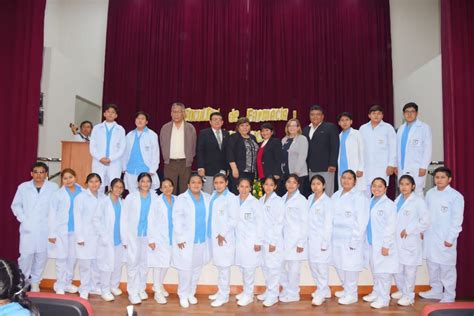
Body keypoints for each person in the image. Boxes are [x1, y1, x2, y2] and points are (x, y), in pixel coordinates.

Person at [11, 162, 58, 292]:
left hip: (45, 228)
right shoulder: (23, 187)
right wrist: (24, 220)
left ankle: (36, 282)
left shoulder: (53, 187)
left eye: (42, 172)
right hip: (28, 228)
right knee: (25, 257)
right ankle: (23, 282)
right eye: (36, 172)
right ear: (31, 173)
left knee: (41, 257)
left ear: (46, 174)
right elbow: (16, 205)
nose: (39, 175)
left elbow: (57, 207)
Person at [420, 167, 464, 303]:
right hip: (430, 236)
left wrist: (451, 237)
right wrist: (422, 230)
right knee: (433, 265)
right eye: (437, 177)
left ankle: (449, 295)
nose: (439, 180)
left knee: (447, 268)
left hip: (446, 238)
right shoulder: (430, 193)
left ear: (449, 179)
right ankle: (436, 291)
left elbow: (457, 219)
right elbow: (425, 214)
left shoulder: (456, 196)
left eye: (442, 177)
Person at [172, 174, 211, 308]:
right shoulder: (182, 199)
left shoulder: (206, 197)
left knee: (196, 268)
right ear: (188, 184)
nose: (196, 185)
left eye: (198, 182)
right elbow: (177, 220)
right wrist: (180, 238)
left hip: (201, 239)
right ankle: (183, 294)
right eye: (193, 182)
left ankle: (191, 293)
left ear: (202, 184)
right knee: (185, 269)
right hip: (186, 240)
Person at [391, 175, 430, 306]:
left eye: (407, 184)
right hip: (397, 241)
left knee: (410, 270)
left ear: (413, 186)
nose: (404, 187)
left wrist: (409, 230)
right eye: (401, 184)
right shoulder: (397, 200)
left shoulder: (418, 201)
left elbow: (425, 222)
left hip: (411, 240)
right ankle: (403, 291)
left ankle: (409, 296)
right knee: (398, 268)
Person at [331, 170, 369, 305]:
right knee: (339, 264)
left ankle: (352, 294)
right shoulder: (335, 195)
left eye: (349, 178)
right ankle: (346, 289)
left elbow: (362, 220)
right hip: (336, 237)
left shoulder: (359, 197)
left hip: (351, 237)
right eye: (344, 178)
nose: (346, 181)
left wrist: (355, 239)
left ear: (355, 181)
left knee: (350, 266)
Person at [121, 173, 158, 305]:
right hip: (133, 235)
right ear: (138, 183)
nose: (145, 184)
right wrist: (124, 239)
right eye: (143, 181)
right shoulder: (131, 197)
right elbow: (124, 219)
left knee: (144, 264)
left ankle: (141, 289)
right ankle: (132, 292)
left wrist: (154, 238)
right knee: (133, 263)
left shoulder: (155, 197)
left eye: (148, 181)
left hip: (147, 235)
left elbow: (156, 219)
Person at [363, 178, 398, 309]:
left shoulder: (389, 205)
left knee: (384, 273)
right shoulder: (370, 201)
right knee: (376, 271)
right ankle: (377, 292)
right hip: (371, 243)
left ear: (385, 188)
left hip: (383, 245)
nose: (376, 189)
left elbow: (391, 227)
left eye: (380, 186)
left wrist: (386, 245)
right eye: (374, 186)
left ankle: (384, 298)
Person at [48, 168, 82, 295]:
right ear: (62, 180)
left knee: (72, 259)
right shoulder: (58, 194)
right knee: (61, 258)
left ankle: (67, 283)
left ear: (75, 177)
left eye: (70, 177)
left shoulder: (82, 192)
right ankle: (60, 285)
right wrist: (51, 233)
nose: (68, 180)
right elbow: (52, 214)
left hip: (76, 231)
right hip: (61, 231)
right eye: (65, 178)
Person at [207, 174, 239, 307]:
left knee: (224, 267)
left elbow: (233, 220)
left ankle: (224, 296)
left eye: (221, 182)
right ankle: (221, 290)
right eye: (216, 182)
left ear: (226, 183)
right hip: (213, 236)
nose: (218, 185)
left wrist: (222, 234)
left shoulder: (231, 198)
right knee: (220, 267)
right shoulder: (213, 196)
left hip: (223, 238)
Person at [92, 178, 125, 302]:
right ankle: (105, 290)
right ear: (111, 188)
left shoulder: (122, 202)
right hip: (107, 240)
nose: (118, 189)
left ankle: (113, 286)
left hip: (118, 240)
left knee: (117, 265)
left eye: (121, 187)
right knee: (106, 266)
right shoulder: (104, 202)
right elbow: (96, 219)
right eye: (116, 186)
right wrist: (103, 235)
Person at [74, 173, 104, 300]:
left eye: (97, 181)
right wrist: (80, 237)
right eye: (91, 181)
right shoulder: (81, 197)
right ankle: (84, 288)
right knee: (85, 264)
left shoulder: (103, 197)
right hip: (85, 236)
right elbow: (77, 218)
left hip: (99, 236)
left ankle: (94, 285)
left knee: (96, 262)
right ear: (86, 183)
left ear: (100, 183)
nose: (94, 184)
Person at [234, 178, 264, 307]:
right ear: (237, 187)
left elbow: (260, 223)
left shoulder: (255, 203)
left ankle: (249, 295)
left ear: (250, 188)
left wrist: (258, 241)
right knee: (242, 267)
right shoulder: (234, 201)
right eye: (242, 186)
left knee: (249, 268)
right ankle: (246, 291)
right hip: (238, 240)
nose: (244, 189)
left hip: (251, 241)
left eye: (247, 187)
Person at [279, 175, 308, 303]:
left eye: (294, 182)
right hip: (283, 239)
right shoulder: (282, 199)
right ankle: (286, 288)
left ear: (298, 185)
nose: (291, 184)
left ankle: (293, 293)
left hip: (296, 240)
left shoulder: (301, 200)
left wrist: (301, 242)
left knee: (294, 269)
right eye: (288, 182)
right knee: (280, 266)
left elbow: (305, 222)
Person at [257, 176, 285, 307]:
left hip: (273, 240)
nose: (268, 187)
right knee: (265, 266)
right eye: (266, 184)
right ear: (262, 186)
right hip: (263, 239)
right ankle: (269, 291)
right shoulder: (261, 200)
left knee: (273, 268)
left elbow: (279, 223)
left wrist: (273, 242)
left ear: (275, 187)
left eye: (271, 185)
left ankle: (274, 295)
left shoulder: (278, 201)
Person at [148, 178, 176, 304]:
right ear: (160, 189)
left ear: (173, 187)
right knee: (158, 265)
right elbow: (151, 220)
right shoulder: (156, 202)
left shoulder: (178, 200)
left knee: (166, 263)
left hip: (172, 238)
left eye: (169, 186)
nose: (167, 188)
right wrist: (151, 239)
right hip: (160, 238)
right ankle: (157, 291)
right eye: (164, 186)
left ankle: (159, 285)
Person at [359, 105, 397, 198]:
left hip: (382, 167)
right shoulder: (363, 128)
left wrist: (391, 164)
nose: (376, 116)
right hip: (366, 167)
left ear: (382, 116)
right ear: (369, 115)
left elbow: (393, 147)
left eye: (379, 113)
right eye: (374, 113)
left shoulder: (388, 128)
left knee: (380, 191)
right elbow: (359, 148)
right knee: (365, 194)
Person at [396, 102, 432, 196]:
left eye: (412, 111)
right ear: (403, 114)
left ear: (417, 113)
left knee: (417, 193)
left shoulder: (424, 128)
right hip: (402, 167)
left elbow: (428, 149)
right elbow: (398, 150)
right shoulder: (401, 129)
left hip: (417, 167)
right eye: (407, 112)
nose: (409, 114)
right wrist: (396, 164)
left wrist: (424, 166)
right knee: (404, 193)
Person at [160, 102, 197, 195]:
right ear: (171, 113)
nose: (176, 114)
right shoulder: (165, 128)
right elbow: (162, 145)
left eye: (179, 112)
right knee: (169, 191)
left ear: (183, 113)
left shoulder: (190, 128)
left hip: (185, 164)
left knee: (185, 191)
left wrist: (189, 159)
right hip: (170, 164)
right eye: (174, 112)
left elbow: (194, 145)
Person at [307, 175, 333, 306]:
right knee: (313, 266)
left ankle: (321, 293)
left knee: (321, 267)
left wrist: (325, 242)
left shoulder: (327, 202)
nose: (315, 186)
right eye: (313, 184)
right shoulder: (310, 198)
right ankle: (324, 289)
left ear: (323, 185)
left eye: (318, 184)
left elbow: (328, 224)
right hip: (311, 240)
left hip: (321, 240)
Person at [302, 105, 339, 196]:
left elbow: (335, 146)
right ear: (309, 116)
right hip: (311, 168)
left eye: (318, 114)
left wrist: (332, 164)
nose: (315, 117)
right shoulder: (305, 130)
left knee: (327, 192)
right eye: (312, 114)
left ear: (322, 116)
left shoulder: (330, 127)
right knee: (315, 192)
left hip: (326, 167)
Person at [89, 104, 126, 192]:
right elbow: (92, 146)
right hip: (99, 162)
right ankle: (98, 205)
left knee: (114, 186)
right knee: (97, 185)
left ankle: (112, 205)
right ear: (104, 114)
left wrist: (110, 159)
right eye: (108, 112)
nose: (110, 114)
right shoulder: (97, 128)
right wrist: (100, 158)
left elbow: (122, 148)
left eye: (113, 112)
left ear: (116, 115)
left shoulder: (120, 129)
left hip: (114, 162)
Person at [123, 111, 160, 192]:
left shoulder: (152, 135)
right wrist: (124, 168)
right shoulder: (129, 135)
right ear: (135, 120)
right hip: (130, 171)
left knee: (146, 195)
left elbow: (155, 154)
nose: (140, 120)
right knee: (132, 196)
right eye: (138, 118)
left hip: (145, 171)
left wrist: (152, 170)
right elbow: (125, 153)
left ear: (146, 122)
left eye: (142, 119)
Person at [197, 112, 229, 194]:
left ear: (222, 122)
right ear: (210, 122)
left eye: (219, 120)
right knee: (208, 193)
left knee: (221, 194)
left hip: (222, 170)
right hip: (208, 169)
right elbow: (200, 151)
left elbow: (227, 152)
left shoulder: (226, 134)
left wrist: (228, 168)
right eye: (215, 119)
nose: (217, 121)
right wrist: (201, 167)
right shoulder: (204, 133)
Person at [226, 117, 259, 194]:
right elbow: (229, 153)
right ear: (238, 127)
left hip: (251, 172)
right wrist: (234, 169)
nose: (245, 127)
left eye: (247, 125)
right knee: (237, 193)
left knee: (248, 194)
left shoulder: (252, 137)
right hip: (239, 171)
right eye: (242, 125)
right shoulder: (233, 137)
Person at [279, 119, 308, 196]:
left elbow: (302, 156)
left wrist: (295, 173)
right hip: (286, 174)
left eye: (294, 126)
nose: (292, 128)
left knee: (297, 198)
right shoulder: (284, 139)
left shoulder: (302, 139)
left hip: (298, 174)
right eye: (290, 126)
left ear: (298, 127)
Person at [337, 112, 365, 192]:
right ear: (339, 123)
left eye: (347, 120)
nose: (344, 122)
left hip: (355, 168)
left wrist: (360, 168)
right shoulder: (339, 136)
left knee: (356, 192)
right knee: (343, 192)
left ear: (351, 122)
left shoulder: (357, 133)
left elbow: (361, 151)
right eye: (342, 120)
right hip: (342, 168)